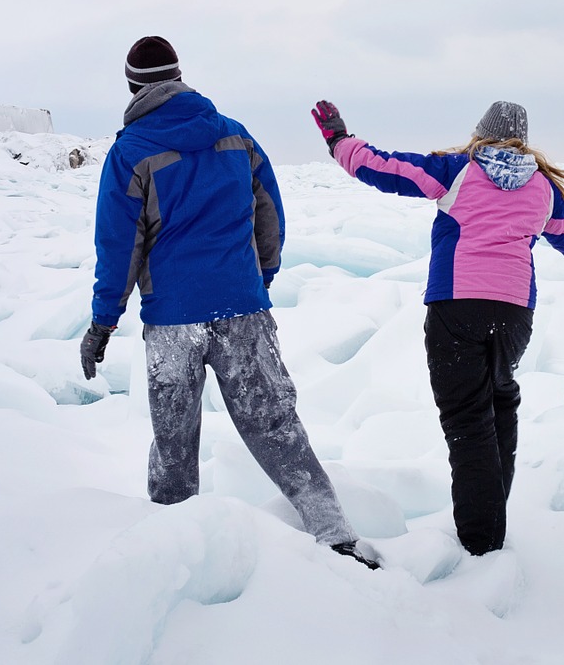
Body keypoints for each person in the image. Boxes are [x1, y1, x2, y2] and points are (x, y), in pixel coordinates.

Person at [80, 36, 377, 569]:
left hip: (173, 322)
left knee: (173, 443)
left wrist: (102, 322)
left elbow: (119, 247)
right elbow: (269, 216)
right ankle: (335, 536)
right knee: (276, 426)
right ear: (179, 77)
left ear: (132, 86)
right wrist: (256, 281)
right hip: (242, 309)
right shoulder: (235, 136)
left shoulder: (130, 152)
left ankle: (170, 553)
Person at [311, 98, 564, 556]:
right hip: (514, 314)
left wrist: (338, 138)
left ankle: (481, 542)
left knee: (467, 421)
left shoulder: (456, 170)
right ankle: (492, 517)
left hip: (457, 307)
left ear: (481, 133)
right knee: (499, 402)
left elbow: (382, 168)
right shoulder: (542, 189)